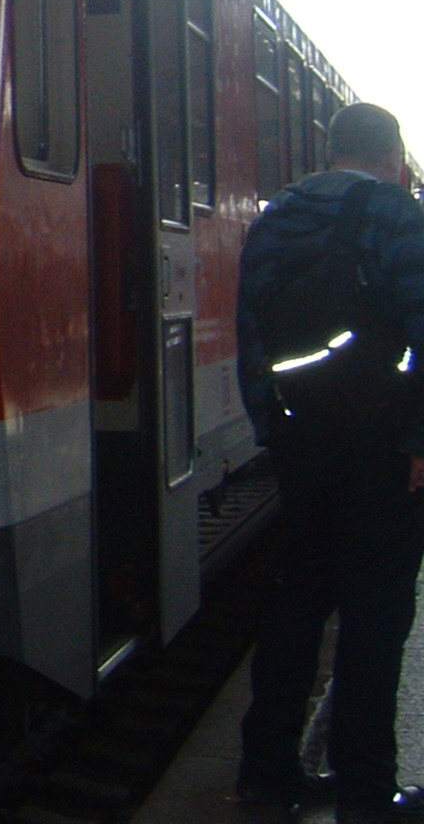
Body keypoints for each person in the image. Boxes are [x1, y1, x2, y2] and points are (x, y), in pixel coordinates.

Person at [238, 102, 424, 822]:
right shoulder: (394, 212)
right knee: (375, 615)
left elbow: (252, 337)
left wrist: (274, 433)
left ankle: (267, 774)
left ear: (329, 149)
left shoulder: (275, 219)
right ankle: (366, 793)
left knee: (296, 604)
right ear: (391, 156)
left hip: (301, 442)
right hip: (381, 446)